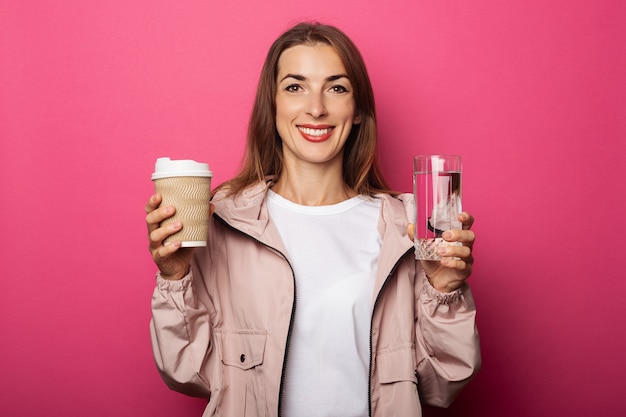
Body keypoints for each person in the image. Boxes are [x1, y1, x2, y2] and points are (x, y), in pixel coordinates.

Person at [145, 22, 480, 417]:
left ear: (358, 111)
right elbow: (186, 372)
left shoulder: (407, 226)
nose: (316, 107)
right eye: (294, 86)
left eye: (336, 88)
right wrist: (174, 279)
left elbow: (442, 383)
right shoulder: (224, 218)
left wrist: (445, 292)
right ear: (272, 106)